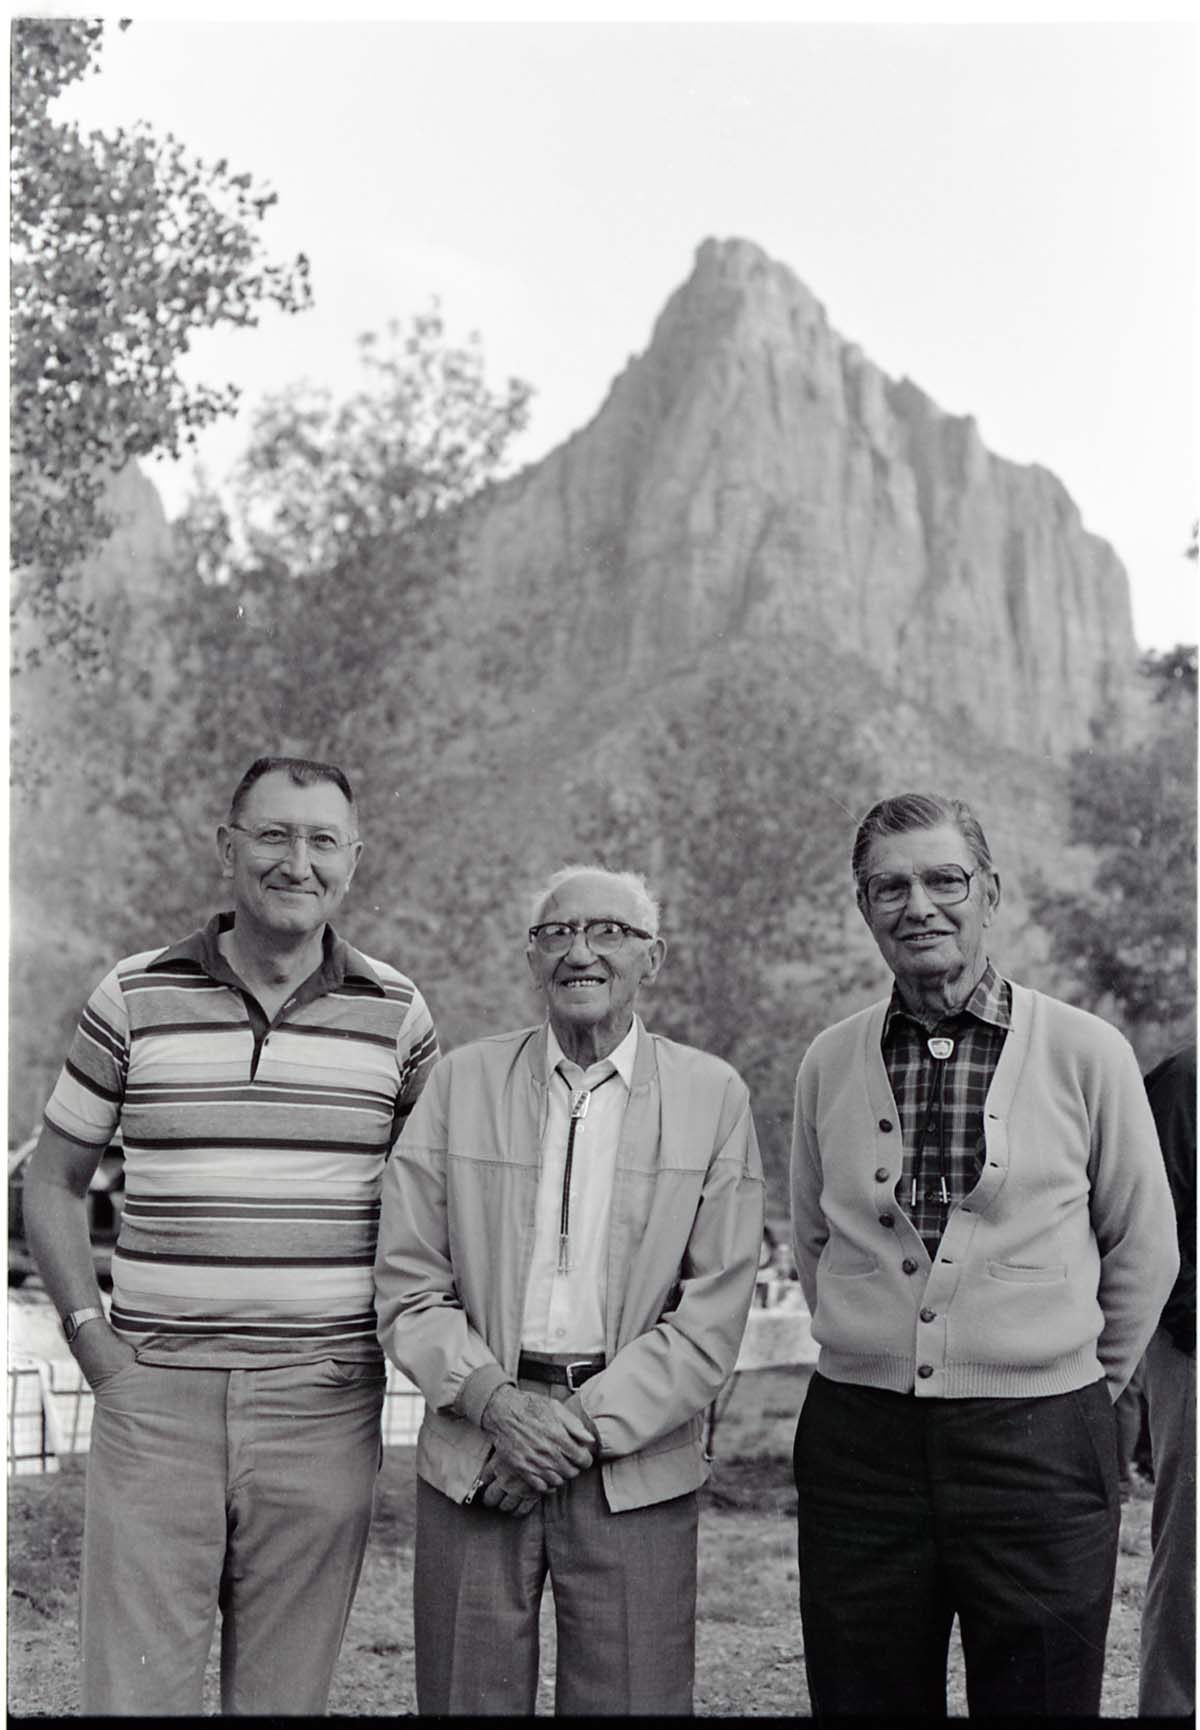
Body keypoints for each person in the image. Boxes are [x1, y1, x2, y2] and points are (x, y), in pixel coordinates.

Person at [23, 755, 438, 1717]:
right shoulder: (131, 996)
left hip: (324, 1407)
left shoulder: (400, 1018)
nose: (299, 861)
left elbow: (432, 1214)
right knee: (134, 1699)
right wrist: (93, 1343)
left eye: (323, 840)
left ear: (354, 861)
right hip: (153, 1399)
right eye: (274, 834)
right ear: (228, 848)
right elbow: (52, 1180)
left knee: (284, 1702)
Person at [789, 792, 1177, 1719]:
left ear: (989, 892)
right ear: (864, 908)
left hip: (1042, 1441)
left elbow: (1143, 1247)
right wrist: (876, 1346)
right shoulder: (827, 1063)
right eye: (890, 887)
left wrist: (1074, 1380)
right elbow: (814, 1239)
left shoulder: (1088, 1053)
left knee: (1041, 1697)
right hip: (861, 1443)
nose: (918, 905)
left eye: (943, 880)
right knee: (862, 1697)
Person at [375, 864, 764, 1715]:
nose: (581, 952)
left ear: (651, 958)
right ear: (531, 956)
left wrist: (570, 1431)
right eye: (558, 934)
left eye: (610, 933)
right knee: (462, 1698)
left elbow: (713, 1313)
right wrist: (500, 1412)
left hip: (634, 1460)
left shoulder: (712, 1097)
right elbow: (407, 1283)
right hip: (478, 1450)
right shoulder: (460, 1084)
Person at [1138, 1043, 1196, 1718]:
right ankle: (1175, 1709)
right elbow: (1155, 1222)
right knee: (1194, 1551)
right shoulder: (1187, 1079)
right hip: (1192, 1346)